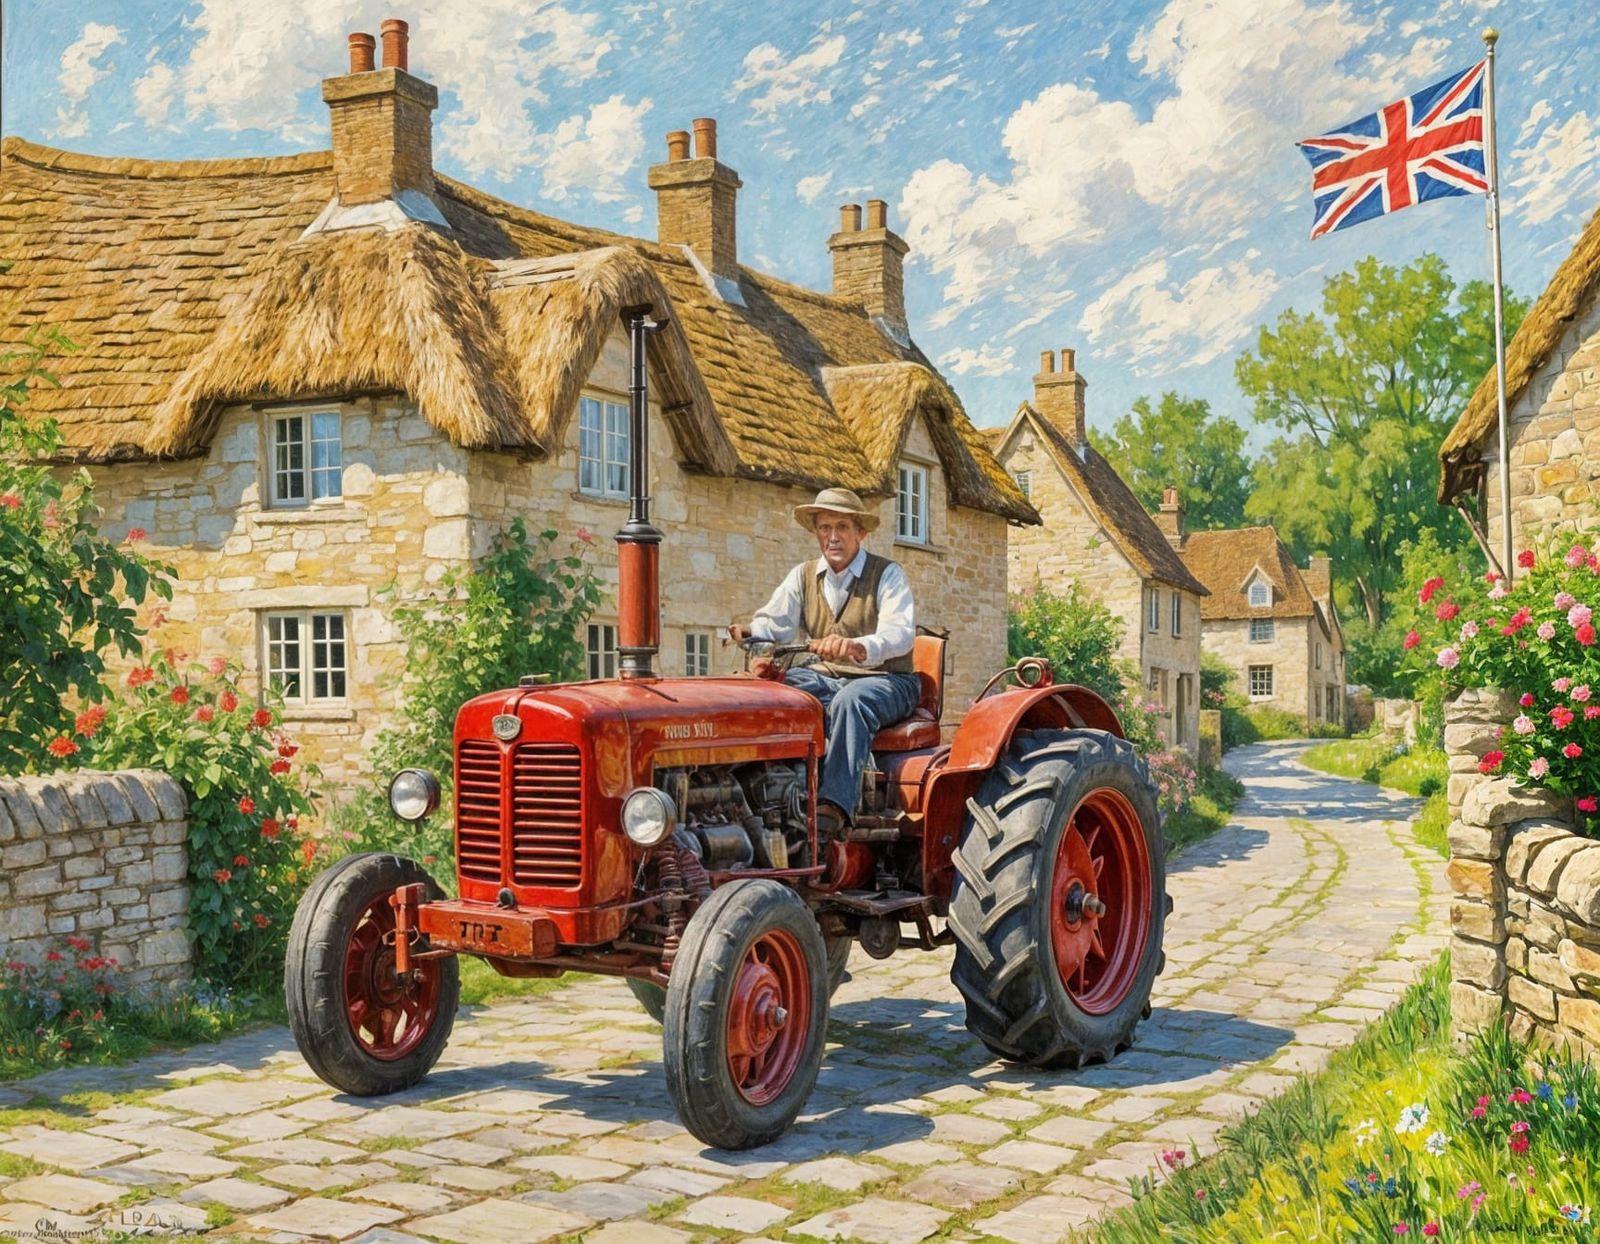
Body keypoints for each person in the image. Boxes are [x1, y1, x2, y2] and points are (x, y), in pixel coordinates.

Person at [729, 487, 920, 832]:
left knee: (851, 700)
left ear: (860, 533)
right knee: (774, 691)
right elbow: (776, 622)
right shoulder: (802, 576)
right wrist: (752, 631)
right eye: (824, 528)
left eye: (842, 527)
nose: (832, 537)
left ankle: (834, 807)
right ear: (816, 532)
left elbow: (900, 634)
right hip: (826, 676)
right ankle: (764, 793)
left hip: (888, 680)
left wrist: (857, 646)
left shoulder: (888, 574)